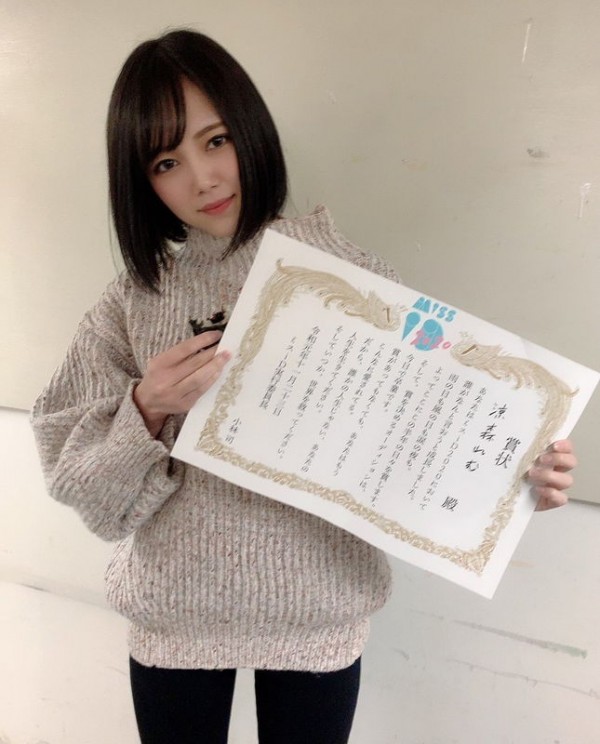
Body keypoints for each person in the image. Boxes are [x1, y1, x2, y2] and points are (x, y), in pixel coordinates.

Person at [31, 29, 577, 744]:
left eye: (217, 140)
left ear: (250, 128)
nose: (203, 179)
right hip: (174, 620)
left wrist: (524, 475)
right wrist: (146, 407)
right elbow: (80, 483)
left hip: (320, 616)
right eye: (166, 161)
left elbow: (431, 432)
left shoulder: (350, 278)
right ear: (142, 181)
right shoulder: (133, 300)